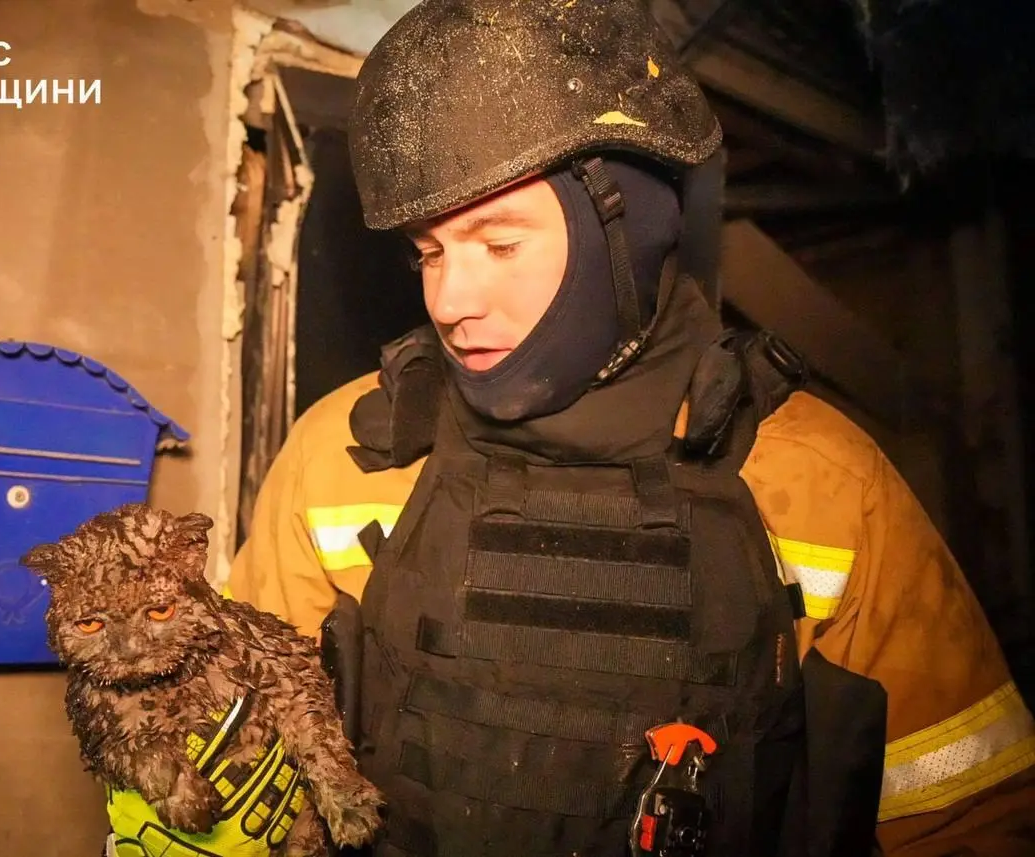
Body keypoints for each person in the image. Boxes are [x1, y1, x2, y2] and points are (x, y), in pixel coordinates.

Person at [106, 0, 1035, 855]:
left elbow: (970, 814)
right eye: (429, 252)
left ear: (622, 232)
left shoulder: (822, 479)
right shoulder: (339, 458)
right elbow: (238, 752)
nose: (450, 298)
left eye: (500, 243)